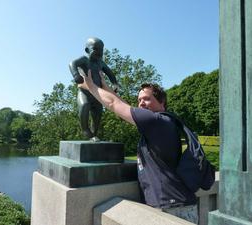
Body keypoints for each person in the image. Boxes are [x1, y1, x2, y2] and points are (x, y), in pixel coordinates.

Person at [78, 69, 198, 224]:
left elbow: (113, 103)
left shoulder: (157, 121)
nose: (141, 103)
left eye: (147, 99)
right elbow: (122, 105)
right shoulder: (161, 122)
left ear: (162, 103)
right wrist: (104, 85)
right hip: (175, 204)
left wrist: (90, 86)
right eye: (139, 99)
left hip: (173, 208)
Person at [69, 37, 119, 141]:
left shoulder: (101, 63)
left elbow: (110, 73)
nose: (99, 52)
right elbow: (72, 63)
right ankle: (85, 130)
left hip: (97, 94)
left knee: (98, 114)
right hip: (85, 93)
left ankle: (94, 134)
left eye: (101, 50)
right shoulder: (84, 60)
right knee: (84, 105)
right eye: (96, 49)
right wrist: (76, 75)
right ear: (87, 50)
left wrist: (115, 83)